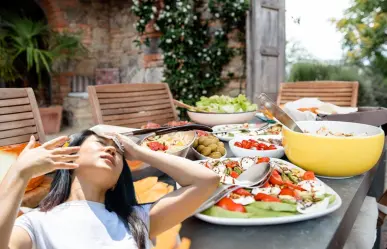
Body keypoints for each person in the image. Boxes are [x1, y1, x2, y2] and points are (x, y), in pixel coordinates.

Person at [0, 130, 220, 249]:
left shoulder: (136, 220)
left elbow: (207, 182)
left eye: (117, 151)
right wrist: (20, 171)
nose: (110, 149)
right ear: (71, 157)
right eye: (99, 142)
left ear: (117, 181)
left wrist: (139, 152)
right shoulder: (35, 223)